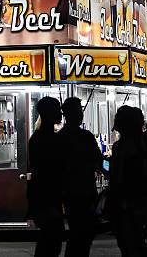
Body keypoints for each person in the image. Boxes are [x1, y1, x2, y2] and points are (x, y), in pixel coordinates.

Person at [108, 106, 147, 257]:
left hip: (133, 203)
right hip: (144, 202)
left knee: (130, 245)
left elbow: (116, 177)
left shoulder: (121, 147)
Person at [58, 97, 102, 257]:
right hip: (81, 191)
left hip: (72, 192)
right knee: (83, 233)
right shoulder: (85, 137)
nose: (80, 114)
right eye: (78, 111)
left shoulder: (61, 138)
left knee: (79, 232)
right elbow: (99, 161)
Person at [28, 97, 64, 257]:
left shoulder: (41, 137)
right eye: (57, 109)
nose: (60, 113)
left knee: (51, 238)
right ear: (48, 113)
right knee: (52, 237)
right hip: (46, 196)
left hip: (47, 196)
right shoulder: (43, 139)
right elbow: (43, 172)